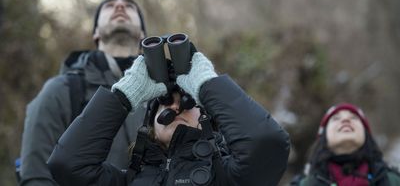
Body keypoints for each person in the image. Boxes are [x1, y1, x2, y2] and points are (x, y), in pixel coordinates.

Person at [47, 50, 291, 185]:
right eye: (164, 102)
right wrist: (123, 95)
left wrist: (207, 85)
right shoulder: (126, 182)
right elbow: (68, 165)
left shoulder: (231, 176)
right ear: (150, 125)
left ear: (206, 116)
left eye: (188, 102)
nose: (176, 107)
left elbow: (266, 143)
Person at [19, 0, 147, 186]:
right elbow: (37, 175)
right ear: (96, 33)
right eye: (110, 6)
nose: (120, 6)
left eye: (129, 6)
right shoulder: (61, 90)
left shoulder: (166, 93)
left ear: (143, 34)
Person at [291, 103, 400, 186]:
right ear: (324, 136)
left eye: (354, 118)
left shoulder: (393, 181)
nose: (345, 120)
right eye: (336, 118)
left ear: (366, 135)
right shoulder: (302, 184)